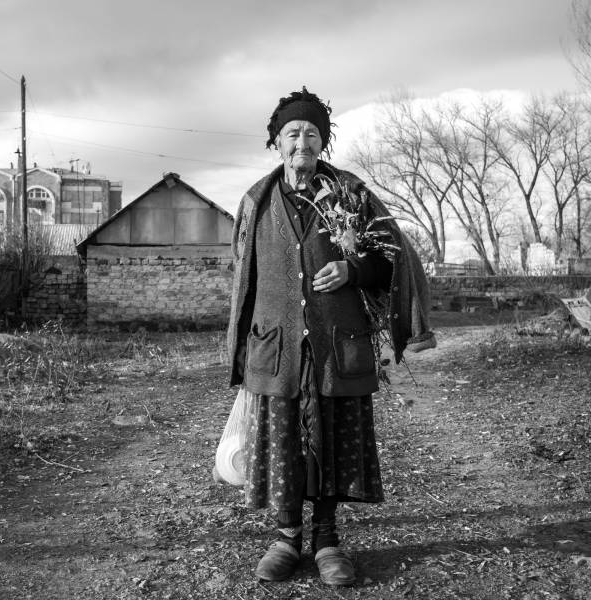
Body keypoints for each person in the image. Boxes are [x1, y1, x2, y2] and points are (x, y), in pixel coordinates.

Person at [226, 87, 433, 585]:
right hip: (276, 349)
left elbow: (394, 257)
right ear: (276, 142)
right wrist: (239, 353)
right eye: (292, 133)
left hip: (335, 345)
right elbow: (241, 282)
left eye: (312, 133)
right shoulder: (255, 201)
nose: (302, 142)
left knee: (330, 443)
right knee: (283, 445)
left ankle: (326, 540)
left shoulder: (351, 194)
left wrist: (352, 269)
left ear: (324, 142)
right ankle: (285, 538)